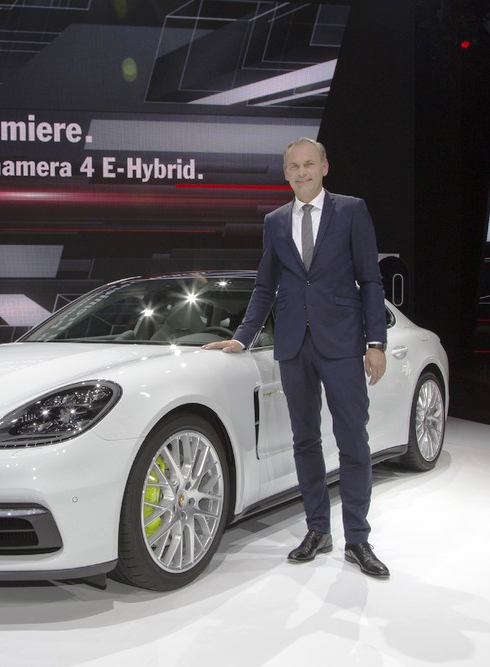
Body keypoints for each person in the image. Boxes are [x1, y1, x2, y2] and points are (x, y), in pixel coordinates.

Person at [202, 137, 390, 578]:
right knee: (304, 441)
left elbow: (370, 279)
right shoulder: (275, 221)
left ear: (324, 166)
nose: (302, 172)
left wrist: (376, 343)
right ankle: (318, 530)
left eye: (309, 164)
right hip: (292, 346)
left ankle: (358, 539)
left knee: (353, 441)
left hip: (342, 343)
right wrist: (242, 338)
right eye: (294, 166)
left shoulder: (351, 210)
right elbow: (265, 285)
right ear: (285, 173)